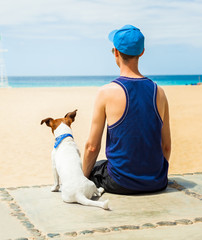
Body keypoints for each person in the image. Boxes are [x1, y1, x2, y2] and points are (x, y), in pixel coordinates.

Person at [82, 25, 171, 195]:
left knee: (95, 166)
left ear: (116, 52)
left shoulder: (106, 92)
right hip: (157, 181)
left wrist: (82, 180)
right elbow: (166, 147)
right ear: (142, 52)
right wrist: (154, 177)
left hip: (120, 182)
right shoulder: (159, 92)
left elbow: (92, 147)